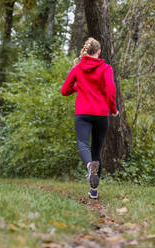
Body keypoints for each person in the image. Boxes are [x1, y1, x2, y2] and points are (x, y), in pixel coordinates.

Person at [61, 37, 119, 199]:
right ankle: (94, 190)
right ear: (99, 52)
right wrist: (113, 109)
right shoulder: (106, 68)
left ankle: (89, 166)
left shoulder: (78, 69)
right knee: (97, 149)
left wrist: (77, 87)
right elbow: (111, 89)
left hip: (83, 113)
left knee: (82, 144)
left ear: (87, 51)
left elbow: (64, 90)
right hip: (101, 114)